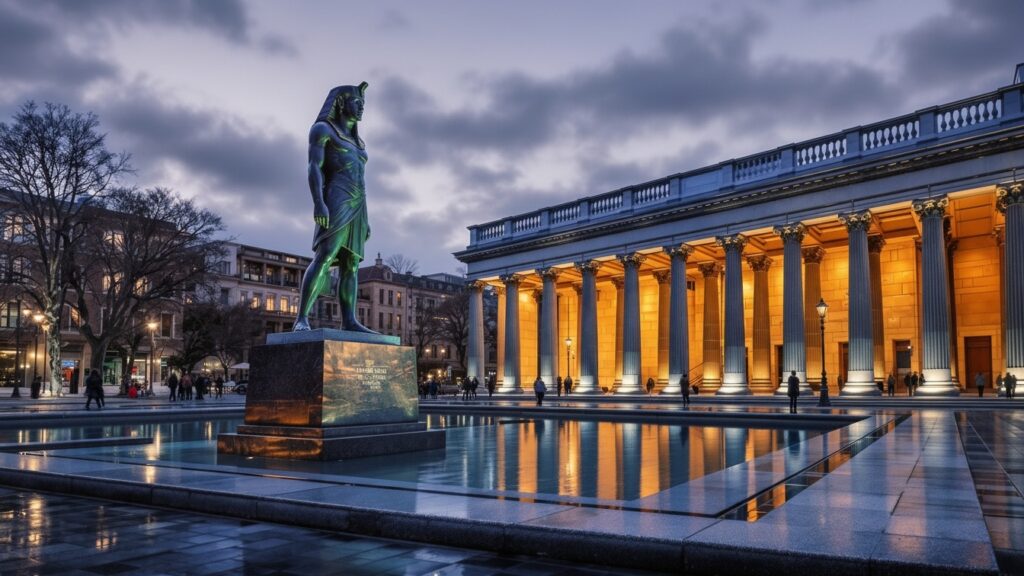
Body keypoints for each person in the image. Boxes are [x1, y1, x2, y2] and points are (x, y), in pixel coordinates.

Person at [293, 82, 375, 334]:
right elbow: (313, 167)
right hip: (336, 196)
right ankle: (302, 318)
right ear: (341, 102)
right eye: (357, 103)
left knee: (351, 263)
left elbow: (361, 178)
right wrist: (319, 202)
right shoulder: (322, 129)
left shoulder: (358, 141)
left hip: (358, 202)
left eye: (363, 104)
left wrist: (366, 218)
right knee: (326, 255)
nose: (361, 108)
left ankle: (349, 320)